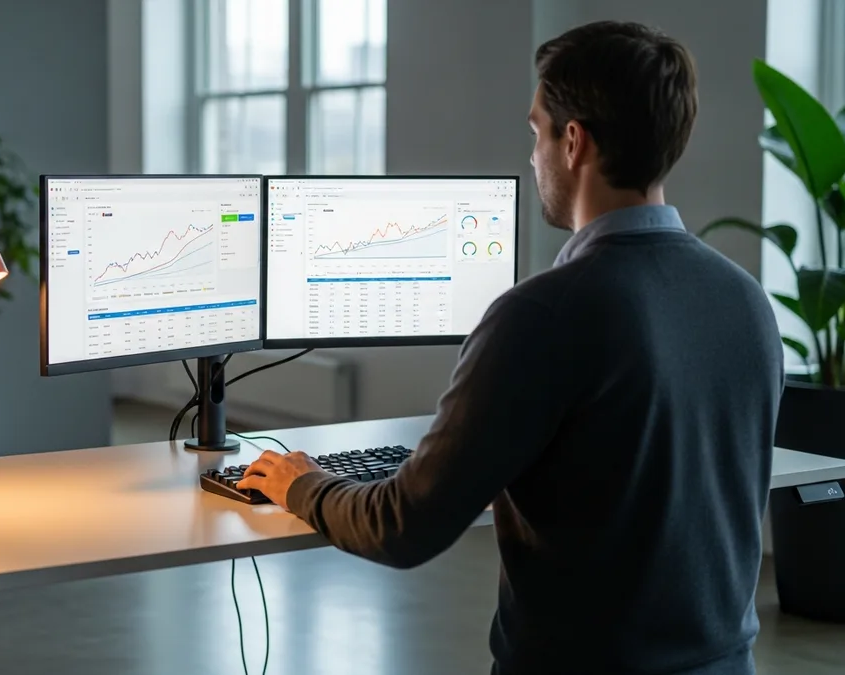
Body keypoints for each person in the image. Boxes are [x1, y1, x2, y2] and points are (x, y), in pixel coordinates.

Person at [237, 20, 785, 675]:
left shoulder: (542, 315)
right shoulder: (746, 298)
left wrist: (303, 484)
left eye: (536, 132)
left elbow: (402, 526)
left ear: (574, 141)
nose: (532, 155)